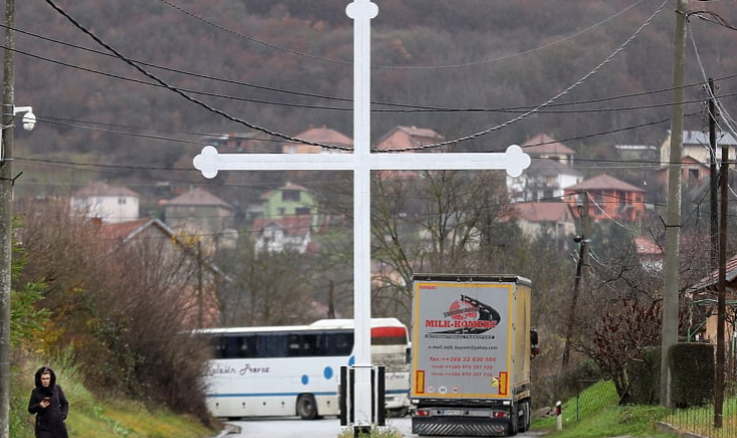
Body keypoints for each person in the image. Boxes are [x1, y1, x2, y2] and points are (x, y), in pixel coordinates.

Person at [28, 366, 69, 438]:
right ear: (39, 379)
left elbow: (65, 404)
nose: (45, 381)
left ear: (51, 379)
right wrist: (39, 405)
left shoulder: (57, 389)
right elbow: (30, 409)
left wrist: (62, 415)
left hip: (58, 425)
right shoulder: (35, 392)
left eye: (47, 378)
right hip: (43, 427)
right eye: (43, 379)